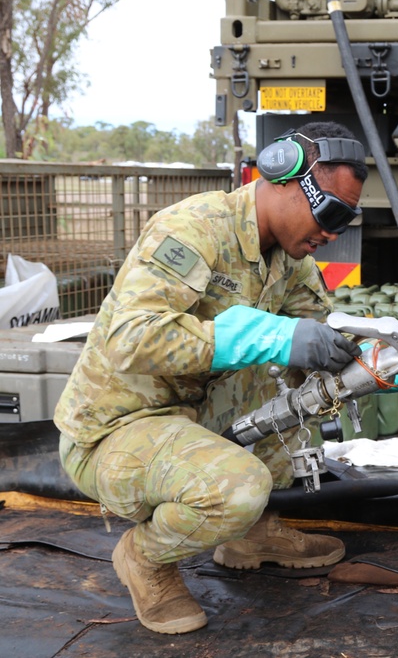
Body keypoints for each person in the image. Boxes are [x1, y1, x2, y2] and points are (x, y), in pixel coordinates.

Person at [54, 121, 372, 635]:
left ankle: (254, 533)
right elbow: (131, 338)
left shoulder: (288, 258)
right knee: (239, 486)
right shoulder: (194, 229)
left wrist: (381, 362)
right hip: (119, 428)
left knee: (297, 390)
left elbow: (318, 333)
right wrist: (263, 336)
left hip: (195, 417)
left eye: (347, 219)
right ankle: (146, 559)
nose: (333, 233)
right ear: (286, 176)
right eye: (330, 212)